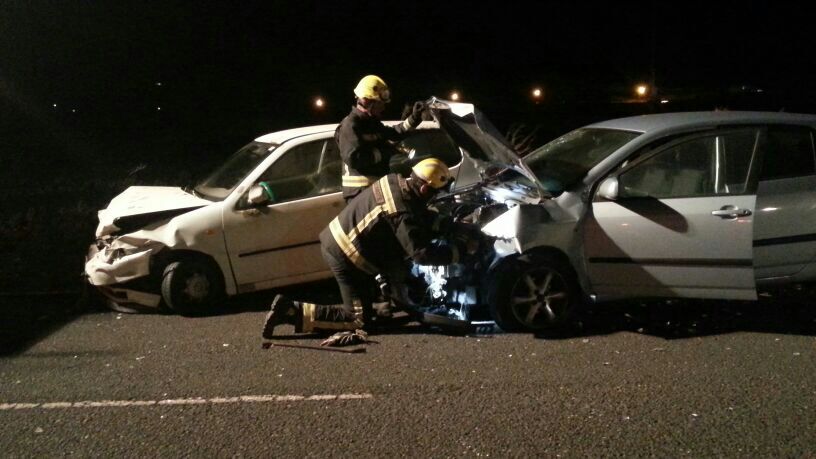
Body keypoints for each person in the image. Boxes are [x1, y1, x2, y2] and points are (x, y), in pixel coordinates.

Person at [262, 158, 476, 337]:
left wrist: (452, 225)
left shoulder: (394, 181)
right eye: (434, 193)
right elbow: (420, 254)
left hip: (341, 240)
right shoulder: (402, 213)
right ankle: (289, 310)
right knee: (358, 321)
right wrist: (460, 252)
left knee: (382, 285)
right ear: (423, 187)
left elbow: (419, 216)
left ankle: (383, 303)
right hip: (346, 256)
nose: (435, 197)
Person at [336, 74, 427, 202]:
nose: (383, 107)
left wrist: (413, 119)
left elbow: (394, 133)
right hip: (359, 193)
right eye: (380, 103)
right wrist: (385, 152)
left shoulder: (372, 123)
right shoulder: (350, 125)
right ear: (367, 101)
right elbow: (354, 158)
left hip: (373, 188)